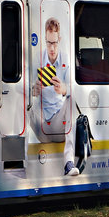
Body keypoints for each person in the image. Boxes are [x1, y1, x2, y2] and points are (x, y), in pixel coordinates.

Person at [32, 16, 78, 175]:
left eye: (54, 43)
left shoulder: (66, 59)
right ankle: (20, 160)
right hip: (41, 123)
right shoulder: (37, 58)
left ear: (59, 39)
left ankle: (69, 162)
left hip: (58, 123)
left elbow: (75, 88)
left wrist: (64, 89)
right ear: (45, 40)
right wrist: (34, 90)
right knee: (22, 98)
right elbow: (25, 90)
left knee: (72, 99)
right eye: (48, 42)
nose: (51, 48)